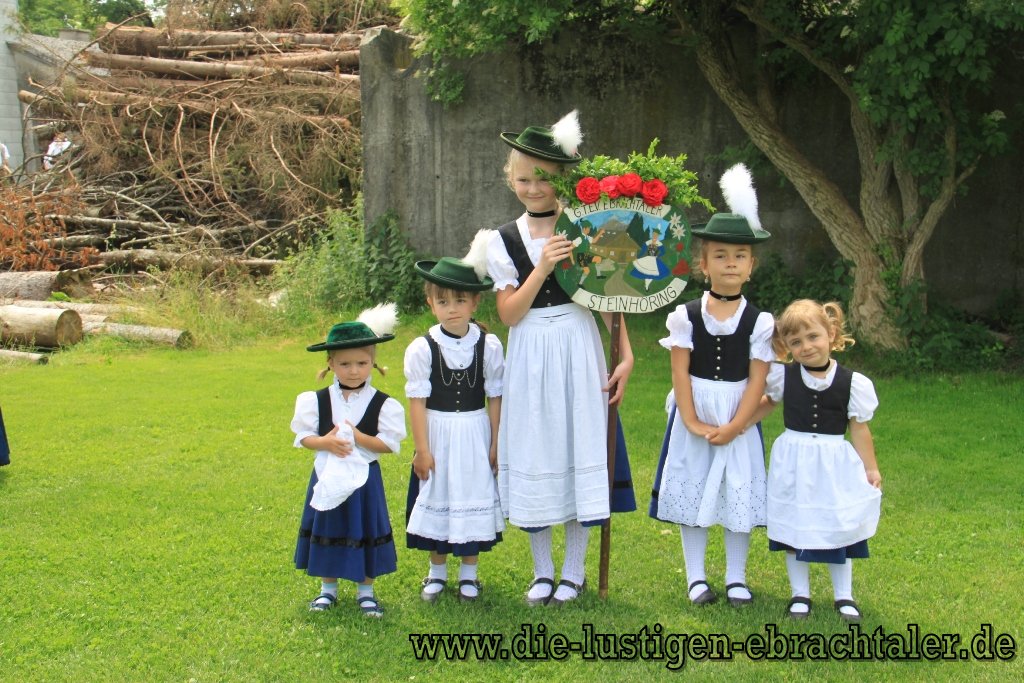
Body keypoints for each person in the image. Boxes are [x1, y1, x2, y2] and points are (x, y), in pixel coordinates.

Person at [486, 111, 636, 606]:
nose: (533, 188)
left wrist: (626, 355)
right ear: (510, 179)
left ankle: (574, 570)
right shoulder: (503, 240)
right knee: (536, 447)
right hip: (530, 348)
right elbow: (509, 314)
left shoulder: (586, 228)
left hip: (577, 343)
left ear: (563, 179)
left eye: (543, 179)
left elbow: (607, 298)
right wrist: (542, 267)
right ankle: (542, 570)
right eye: (523, 179)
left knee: (577, 446)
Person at [649, 164, 774, 607]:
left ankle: (737, 576)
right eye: (720, 255)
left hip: (738, 412)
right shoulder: (685, 317)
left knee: (737, 489)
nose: (730, 263)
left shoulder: (760, 322)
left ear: (751, 267)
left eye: (740, 256)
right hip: (697, 409)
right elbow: (679, 372)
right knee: (695, 487)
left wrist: (738, 425)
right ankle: (696, 577)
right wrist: (691, 421)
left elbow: (759, 380)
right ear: (703, 265)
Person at [752, 299, 882, 622]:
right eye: (796, 342)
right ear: (787, 346)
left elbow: (859, 428)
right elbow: (767, 402)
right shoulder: (783, 377)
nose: (806, 347)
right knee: (794, 523)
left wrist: (871, 467)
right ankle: (800, 594)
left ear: (831, 333)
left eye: (813, 337)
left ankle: (844, 595)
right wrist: (739, 425)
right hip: (793, 462)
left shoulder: (853, 383)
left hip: (832, 463)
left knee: (839, 524)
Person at [290, 304, 407, 617]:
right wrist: (325, 442)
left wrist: (357, 436)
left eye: (361, 363)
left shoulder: (383, 404)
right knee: (329, 528)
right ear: (330, 363)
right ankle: (327, 590)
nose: (354, 370)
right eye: (344, 364)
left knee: (364, 531)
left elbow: (388, 444)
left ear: (373, 362)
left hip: (365, 481)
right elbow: (303, 436)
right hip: (327, 475)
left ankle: (366, 592)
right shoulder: (316, 400)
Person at [404, 254, 505, 603]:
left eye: (460, 300)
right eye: (443, 301)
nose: (452, 309)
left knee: (472, 494)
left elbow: (495, 397)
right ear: (430, 304)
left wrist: (496, 443)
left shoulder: (488, 345)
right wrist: (422, 449)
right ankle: (436, 572)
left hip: (475, 433)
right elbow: (417, 402)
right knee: (439, 494)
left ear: (475, 302)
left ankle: (469, 575)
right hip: (437, 434)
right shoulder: (423, 348)